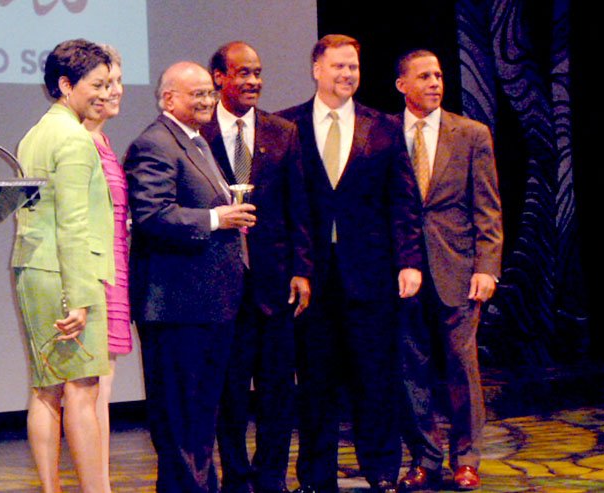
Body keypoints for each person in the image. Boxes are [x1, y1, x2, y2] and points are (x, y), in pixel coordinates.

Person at [276, 34, 423, 493]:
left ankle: (381, 472)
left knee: (375, 377)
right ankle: (316, 478)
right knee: (316, 382)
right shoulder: (286, 126)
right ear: (316, 69)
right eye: (338, 66)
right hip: (311, 278)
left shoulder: (383, 126)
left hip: (372, 275)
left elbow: (403, 201)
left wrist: (410, 261)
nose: (347, 75)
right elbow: (284, 206)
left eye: (353, 68)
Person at [123, 61, 257, 493]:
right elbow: (151, 214)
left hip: (207, 304)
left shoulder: (194, 142)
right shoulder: (155, 144)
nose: (207, 100)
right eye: (196, 94)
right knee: (181, 417)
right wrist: (218, 218)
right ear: (168, 99)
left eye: (208, 93)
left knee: (200, 414)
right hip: (177, 307)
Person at [200, 41, 313, 493]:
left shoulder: (282, 132)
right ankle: (236, 478)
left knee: (277, 391)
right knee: (227, 392)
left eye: (257, 73)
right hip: (217, 285)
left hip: (274, 284)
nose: (253, 82)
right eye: (242, 73)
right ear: (218, 78)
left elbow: (299, 207)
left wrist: (302, 269)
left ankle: (271, 479)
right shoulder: (198, 133)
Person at [393, 49, 503, 492]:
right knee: (410, 369)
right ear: (403, 85)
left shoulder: (471, 133)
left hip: (458, 269)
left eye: (438, 75)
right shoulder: (384, 133)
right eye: (424, 76)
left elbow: (488, 206)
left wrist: (488, 267)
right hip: (403, 272)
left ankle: (466, 459)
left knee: (461, 367)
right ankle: (424, 457)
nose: (436, 82)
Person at [12, 38, 113, 493]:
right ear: (65, 84)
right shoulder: (74, 139)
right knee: (82, 391)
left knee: (46, 390)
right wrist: (81, 297)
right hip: (64, 275)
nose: (104, 93)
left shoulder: (36, 133)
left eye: (108, 83)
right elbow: (73, 224)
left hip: (35, 268)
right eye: (95, 84)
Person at [82, 44, 131, 491]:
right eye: (104, 82)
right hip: (94, 276)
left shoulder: (104, 140)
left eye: (117, 81)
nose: (115, 91)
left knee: (105, 387)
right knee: (91, 388)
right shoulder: (80, 140)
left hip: (114, 272)